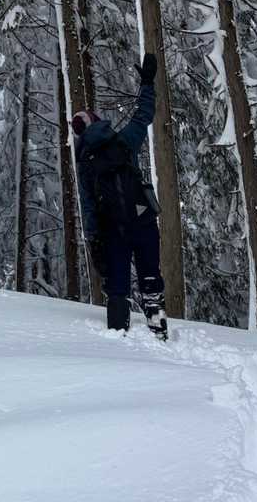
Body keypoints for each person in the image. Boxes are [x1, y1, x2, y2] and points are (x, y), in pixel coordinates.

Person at [72, 53, 167, 339]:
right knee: (150, 278)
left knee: (118, 289)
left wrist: (93, 239)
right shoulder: (123, 141)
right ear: (99, 122)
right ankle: (159, 331)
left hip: (112, 228)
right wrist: (147, 82)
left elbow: (88, 205)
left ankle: (117, 341)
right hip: (143, 218)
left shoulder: (85, 162)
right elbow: (144, 115)